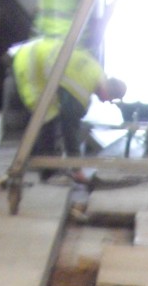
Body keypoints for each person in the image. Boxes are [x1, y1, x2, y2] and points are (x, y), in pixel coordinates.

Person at [11, 37, 126, 180]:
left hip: (39, 51)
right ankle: (45, 169)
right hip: (31, 62)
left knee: (50, 116)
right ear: (107, 91)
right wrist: (77, 167)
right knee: (46, 116)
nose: (108, 102)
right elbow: (70, 130)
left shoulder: (96, 71)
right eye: (111, 99)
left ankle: (37, 159)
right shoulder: (81, 91)